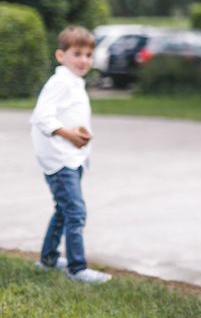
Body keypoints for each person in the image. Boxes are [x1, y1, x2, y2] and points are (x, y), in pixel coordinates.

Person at [30, 25, 112, 284]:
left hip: (73, 158)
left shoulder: (74, 82)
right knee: (75, 212)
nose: (84, 60)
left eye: (89, 55)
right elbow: (41, 117)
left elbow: (67, 115)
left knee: (63, 210)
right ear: (60, 56)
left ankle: (48, 259)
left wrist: (80, 133)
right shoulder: (60, 82)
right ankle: (77, 268)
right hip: (60, 160)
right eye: (77, 53)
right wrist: (70, 135)